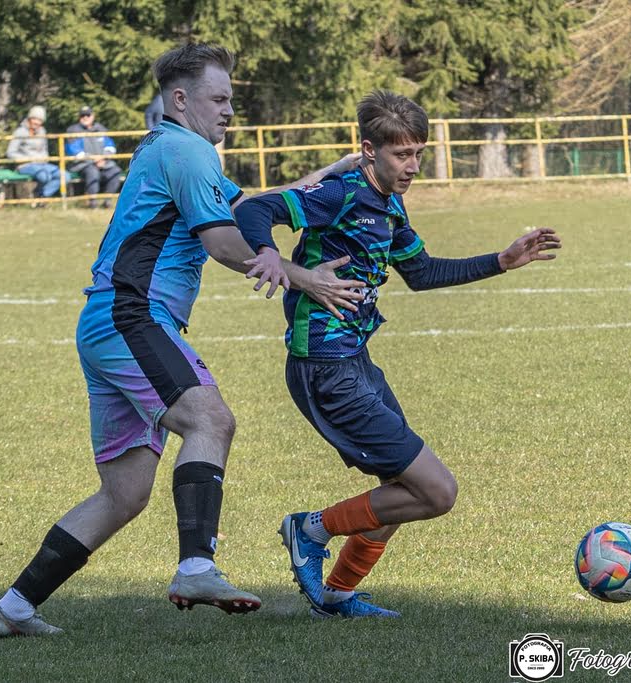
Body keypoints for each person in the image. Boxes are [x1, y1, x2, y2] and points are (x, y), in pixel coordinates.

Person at [0, 43, 364, 637]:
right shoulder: (187, 150)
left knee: (125, 493)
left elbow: (248, 208)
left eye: (231, 99)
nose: (229, 110)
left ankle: (12, 608)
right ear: (181, 99)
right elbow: (224, 242)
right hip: (132, 317)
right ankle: (196, 568)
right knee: (211, 421)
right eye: (219, 98)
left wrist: (326, 177)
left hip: (110, 322)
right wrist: (304, 277)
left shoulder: (174, 149)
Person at [235, 91, 562, 618]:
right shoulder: (341, 193)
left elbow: (422, 271)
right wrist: (270, 253)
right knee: (436, 492)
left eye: (418, 154)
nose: (412, 166)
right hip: (324, 366)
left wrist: (501, 261)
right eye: (402, 154)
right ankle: (309, 529)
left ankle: (337, 595)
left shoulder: (389, 202)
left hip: (355, 360)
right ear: (369, 150)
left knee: (402, 487)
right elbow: (256, 209)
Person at [65, 106, 123, 208]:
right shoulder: (73, 130)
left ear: (93, 116)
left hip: (104, 162)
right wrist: (93, 159)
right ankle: (93, 202)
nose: (85, 117)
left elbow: (110, 147)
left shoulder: (101, 129)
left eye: (88, 115)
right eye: (82, 115)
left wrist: (103, 158)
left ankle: (108, 200)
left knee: (115, 171)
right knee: (92, 172)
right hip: (83, 165)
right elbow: (74, 150)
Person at [6, 105, 67, 202]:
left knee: (65, 176)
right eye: (34, 119)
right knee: (44, 176)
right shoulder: (20, 132)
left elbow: (44, 149)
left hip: (42, 164)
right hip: (25, 165)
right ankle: (39, 196)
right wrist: (28, 158)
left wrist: (45, 158)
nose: (37, 122)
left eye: (40, 120)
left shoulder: (42, 131)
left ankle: (42, 196)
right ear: (29, 118)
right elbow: (10, 152)